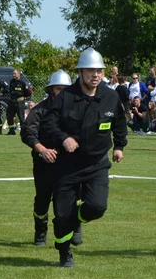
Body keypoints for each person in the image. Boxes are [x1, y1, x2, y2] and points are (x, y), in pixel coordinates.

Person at [38, 47, 127, 267]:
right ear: (80, 72)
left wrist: (119, 146)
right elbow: (47, 125)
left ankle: (76, 219)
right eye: (90, 71)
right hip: (67, 166)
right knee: (61, 217)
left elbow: (120, 124)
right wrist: (63, 138)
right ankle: (64, 251)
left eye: (99, 71)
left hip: (96, 163)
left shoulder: (110, 96)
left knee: (97, 207)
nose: (95, 75)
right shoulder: (66, 97)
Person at [22, 69, 71, 246]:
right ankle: (40, 231)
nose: (62, 93)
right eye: (59, 89)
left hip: (67, 162)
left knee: (66, 199)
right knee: (43, 199)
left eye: (66, 89)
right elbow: (27, 133)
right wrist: (42, 150)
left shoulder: (75, 109)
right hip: (44, 162)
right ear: (52, 90)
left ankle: (72, 228)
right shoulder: (40, 110)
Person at [5, 68, 32, 134]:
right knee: (9, 116)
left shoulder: (23, 83)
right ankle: (11, 130)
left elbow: (28, 92)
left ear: (19, 74)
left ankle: (23, 131)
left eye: (15, 73)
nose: (13, 75)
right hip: (12, 101)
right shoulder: (12, 82)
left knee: (21, 117)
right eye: (13, 73)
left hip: (20, 102)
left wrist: (23, 98)